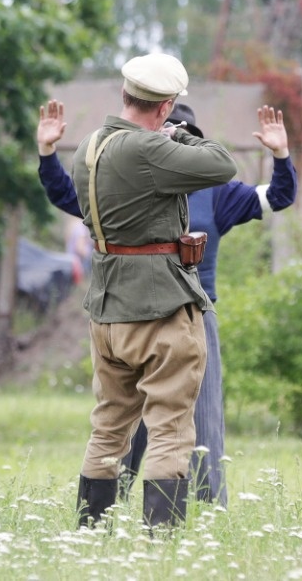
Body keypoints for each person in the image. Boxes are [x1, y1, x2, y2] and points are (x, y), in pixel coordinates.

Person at [37, 99, 297, 508]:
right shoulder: (121, 180)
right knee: (124, 424)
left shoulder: (214, 192)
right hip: (124, 310)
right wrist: (49, 153)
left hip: (191, 313)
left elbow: (278, 196)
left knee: (201, 423)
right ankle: (110, 509)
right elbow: (68, 195)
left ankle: (209, 508)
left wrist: (280, 155)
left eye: (179, 138)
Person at [66, 52, 239, 530]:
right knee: (169, 427)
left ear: (125, 95)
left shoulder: (89, 147)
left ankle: (90, 528)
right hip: (159, 308)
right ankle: (160, 538)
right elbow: (222, 164)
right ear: (164, 107)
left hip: (108, 309)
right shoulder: (147, 150)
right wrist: (178, 135)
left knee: (109, 426)